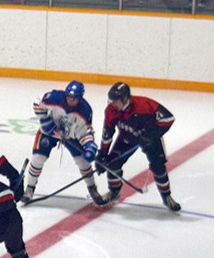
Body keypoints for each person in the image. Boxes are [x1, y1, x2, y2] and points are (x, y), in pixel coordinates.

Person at [96, 81, 179, 212]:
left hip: (149, 140)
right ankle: (113, 192)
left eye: (116, 101)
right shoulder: (111, 110)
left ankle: (167, 196)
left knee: (158, 167)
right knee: (112, 163)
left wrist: (151, 134)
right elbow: (107, 134)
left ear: (125, 99)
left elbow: (168, 118)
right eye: (112, 100)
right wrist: (103, 155)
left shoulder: (144, 104)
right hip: (126, 138)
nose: (113, 104)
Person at [21, 80, 107, 205]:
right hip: (50, 133)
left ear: (80, 98)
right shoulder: (55, 97)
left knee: (83, 163)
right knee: (37, 158)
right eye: (68, 97)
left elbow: (85, 133)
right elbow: (37, 103)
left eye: (74, 98)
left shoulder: (85, 111)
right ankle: (30, 188)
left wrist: (89, 148)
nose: (70, 100)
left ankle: (92, 188)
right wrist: (46, 121)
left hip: (71, 137)